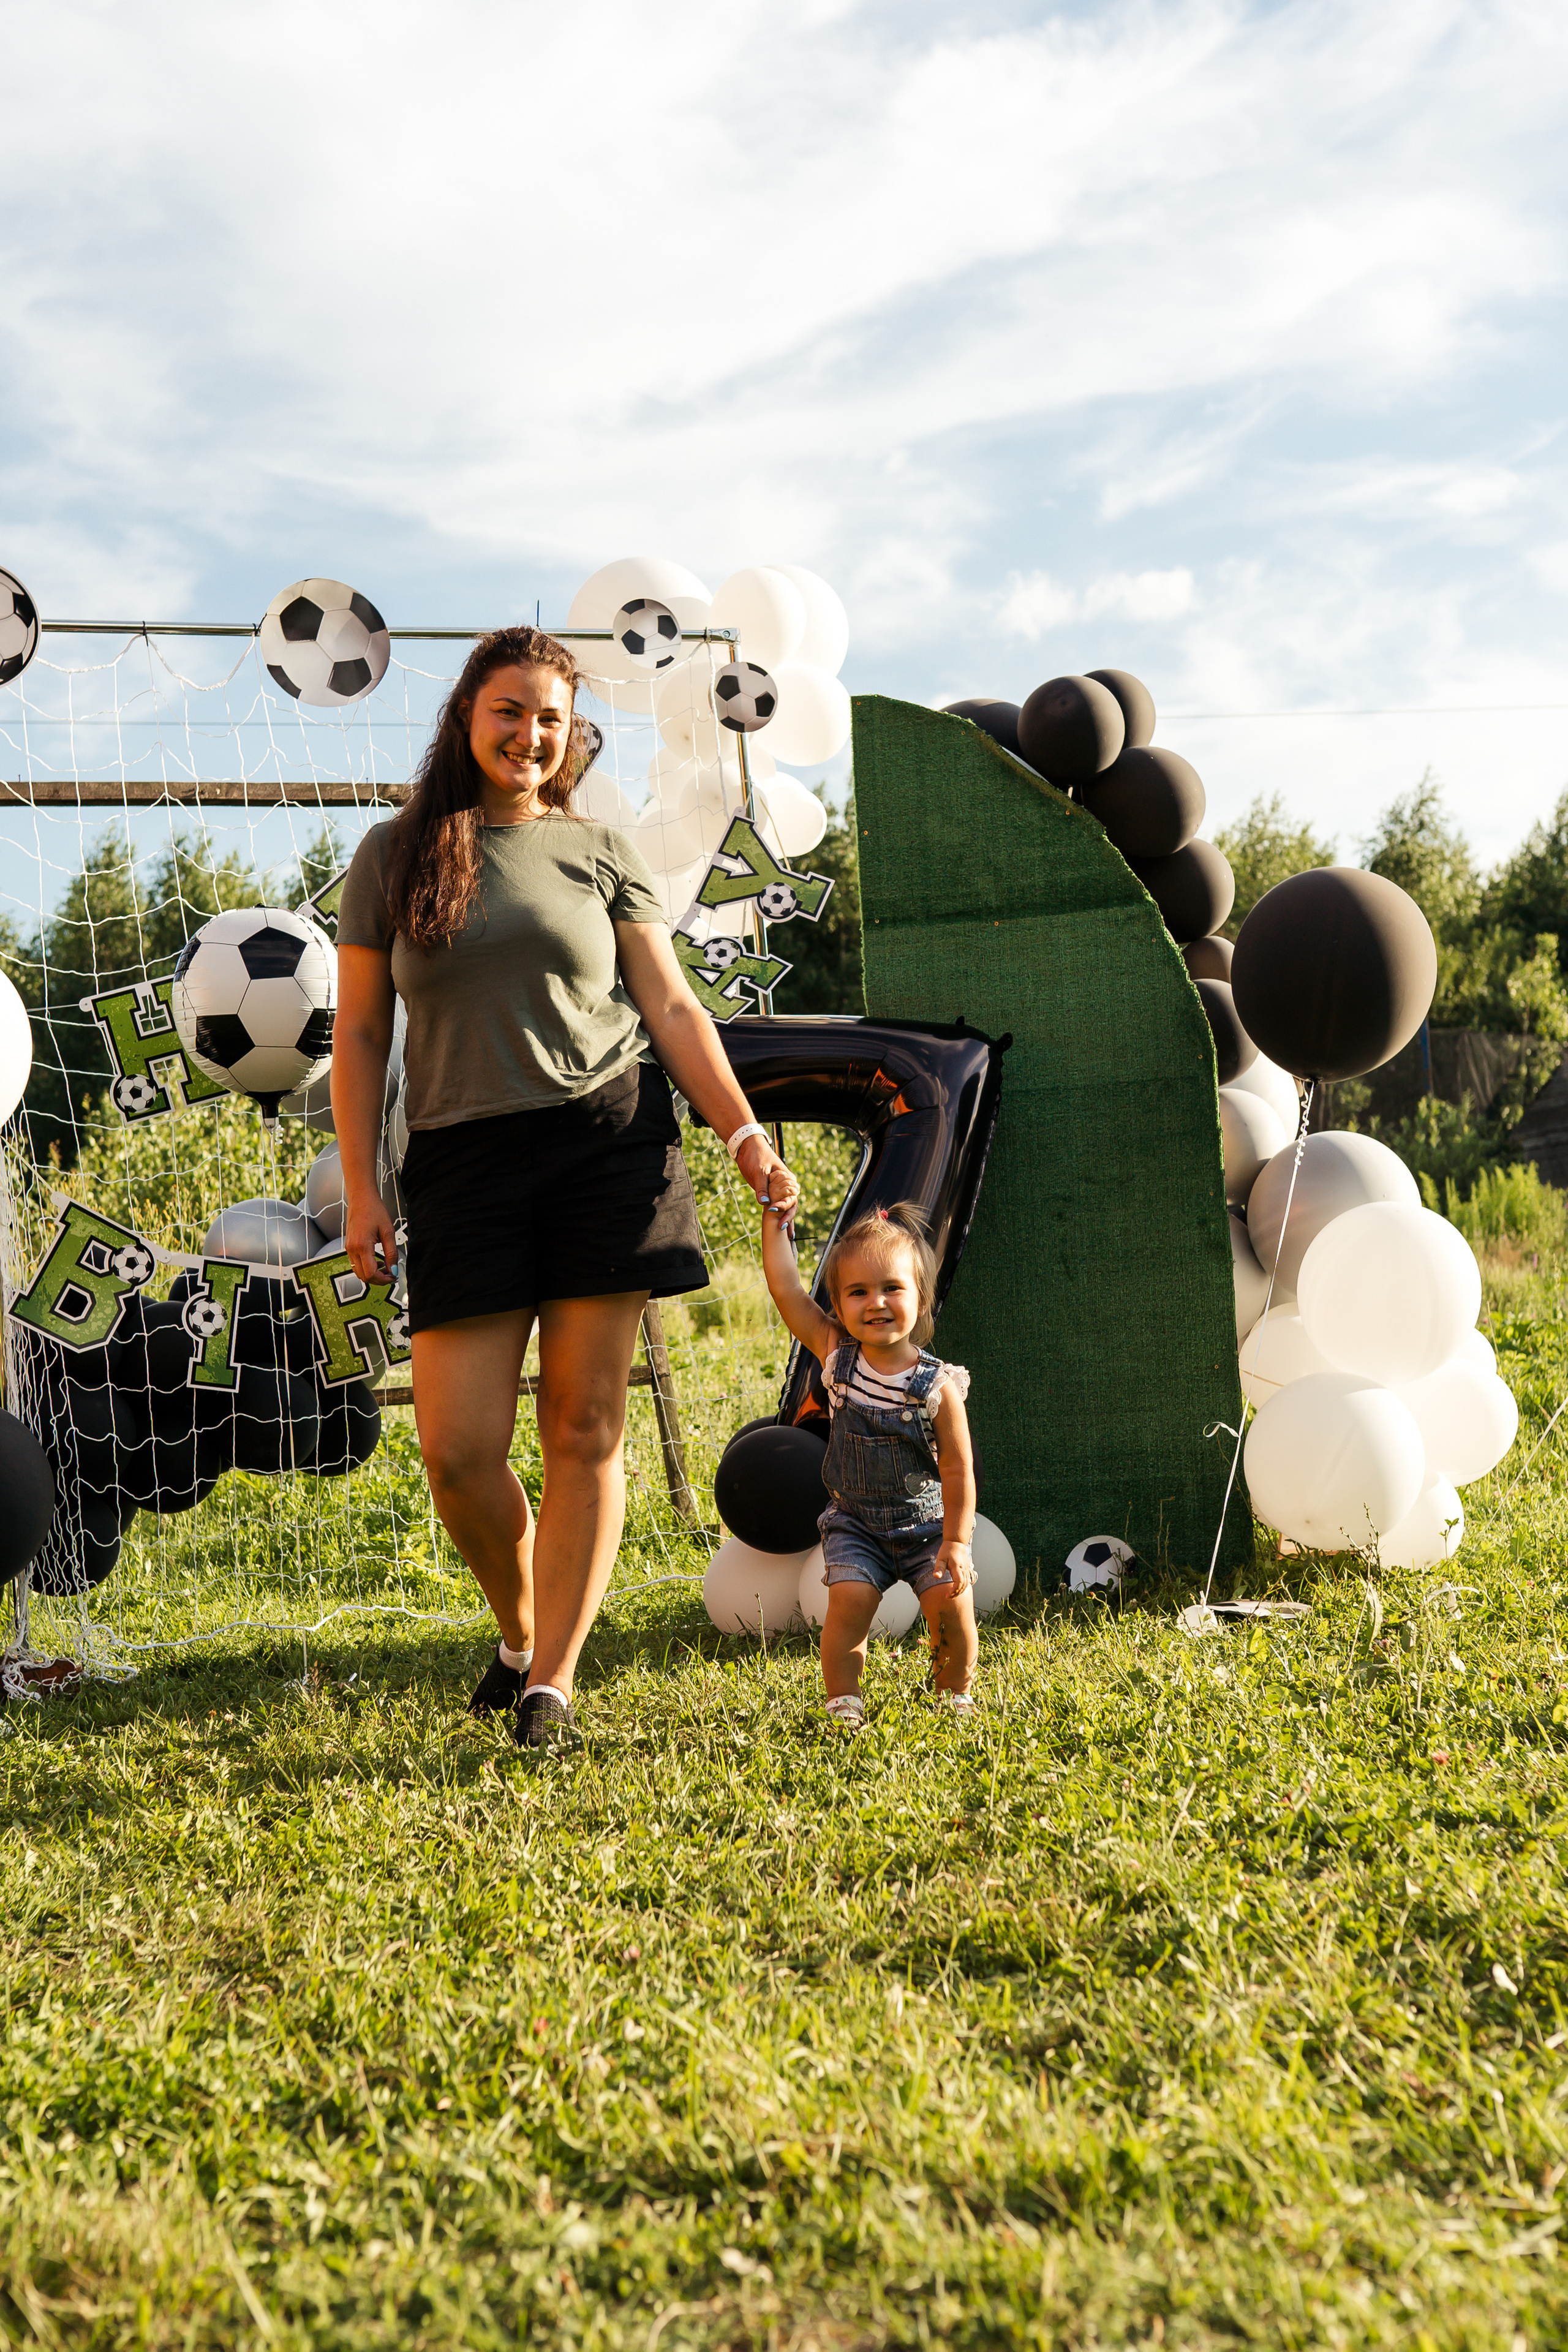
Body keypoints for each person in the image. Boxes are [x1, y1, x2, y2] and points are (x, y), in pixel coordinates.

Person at [333, 625, 799, 1752]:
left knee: (582, 1423)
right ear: (467, 716)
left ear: (569, 729)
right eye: (510, 711)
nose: (530, 735)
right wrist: (361, 1189)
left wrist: (743, 1134)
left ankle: (554, 1682)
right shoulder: (395, 856)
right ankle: (518, 1626)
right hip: (461, 1160)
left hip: (605, 1144)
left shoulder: (601, 848)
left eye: (550, 717)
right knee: (457, 1450)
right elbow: (357, 1036)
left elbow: (674, 1009)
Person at [760, 1197, 978, 1727]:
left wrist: (956, 1542)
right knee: (849, 1603)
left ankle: (953, 1694)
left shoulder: (938, 1388)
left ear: (921, 1298)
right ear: (837, 1302)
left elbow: (957, 1470)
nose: (875, 1302)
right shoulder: (838, 1355)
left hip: (927, 1525)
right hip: (856, 1522)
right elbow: (787, 1290)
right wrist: (776, 1225)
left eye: (891, 1289)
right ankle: (843, 1700)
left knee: (950, 1610)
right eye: (858, 1292)